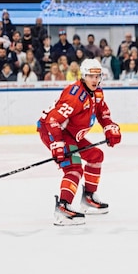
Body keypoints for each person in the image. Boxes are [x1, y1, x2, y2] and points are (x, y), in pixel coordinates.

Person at [36, 59, 121, 226]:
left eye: (97, 76)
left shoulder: (96, 93)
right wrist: (57, 145)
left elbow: (103, 112)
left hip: (70, 133)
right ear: (84, 76)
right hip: (54, 131)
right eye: (91, 76)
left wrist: (110, 128)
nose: (95, 80)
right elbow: (52, 121)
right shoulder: (75, 96)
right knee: (73, 167)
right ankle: (63, 208)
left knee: (96, 156)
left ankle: (88, 198)